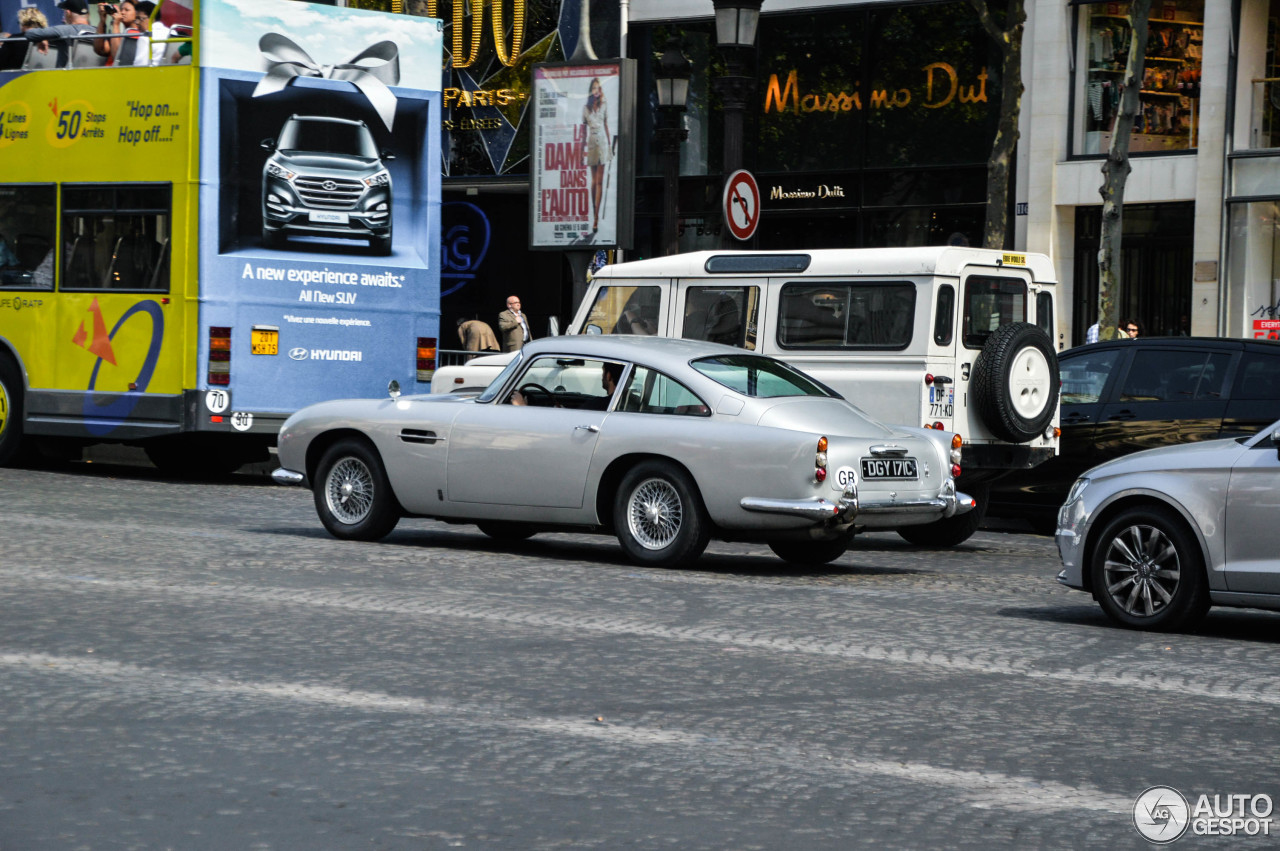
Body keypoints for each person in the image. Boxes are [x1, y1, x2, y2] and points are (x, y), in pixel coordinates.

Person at [22, 0, 98, 69]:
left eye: (64, 12)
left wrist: (41, 38)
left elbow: (30, 34)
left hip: (65, 80)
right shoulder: (99, 32)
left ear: (68, 13)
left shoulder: (65, 30)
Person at [582, 77, 612, 234]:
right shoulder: (586, 108)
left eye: (598, 88)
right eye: (594, 88)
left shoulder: (604, 105)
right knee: (593, 182)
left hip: (602, 142)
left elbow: (606, 125)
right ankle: (593, 212)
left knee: (599, 181)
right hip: (592, 141)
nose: (596, 91)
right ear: (590, 90)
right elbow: (582, 130)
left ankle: (595, 219)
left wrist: (610, 146)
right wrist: (581, 149)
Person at [94, 1, 149, 66]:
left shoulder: (137, 34)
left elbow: (117, 57)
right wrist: (102, 21)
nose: (122, 12)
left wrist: (116, 24)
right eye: (121, 9)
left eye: (127, 10)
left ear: (136, 14)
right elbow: (100, 50)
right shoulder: (120, 33)